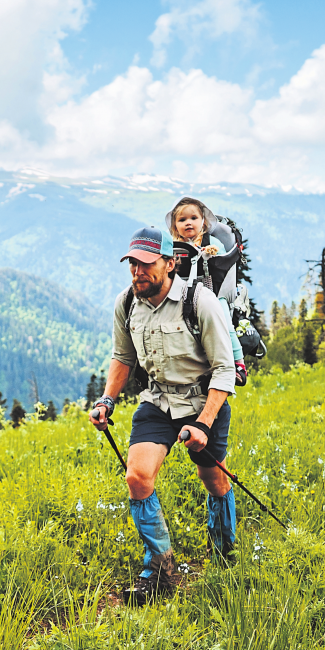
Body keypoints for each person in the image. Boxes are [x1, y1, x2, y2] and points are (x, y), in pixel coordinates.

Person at [89, 226, 238, 606]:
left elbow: (223, 369)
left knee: (214, 479)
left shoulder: (198, 302)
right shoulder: (126, 304)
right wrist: (107, 399)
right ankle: (160, 567)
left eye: (146, 264)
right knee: (137, 476)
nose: (137, 272)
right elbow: (122, 357)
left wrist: (203, 423)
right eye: (132, 264)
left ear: (170, 264)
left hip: (203, 400)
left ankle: (225, 553)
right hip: (157, 401)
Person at [166, 196, 247, 386]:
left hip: (212, 293)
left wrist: (208, 252)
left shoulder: (212, 242)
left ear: (203, 221)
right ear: (175, 225)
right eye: (182, 220)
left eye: (193, 218)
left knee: (224, 323)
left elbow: (220, 256)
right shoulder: (172, 247)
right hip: (182, 295)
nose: (188, 223)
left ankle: (238, 364)